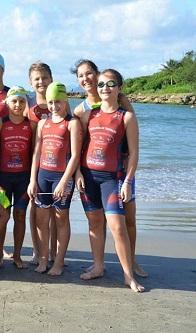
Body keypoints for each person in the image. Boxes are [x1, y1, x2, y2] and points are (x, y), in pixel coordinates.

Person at [72, 59, 147, 277]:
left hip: (119, 172)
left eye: (89, 74)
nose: (86, 79)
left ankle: (130, 263)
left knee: (126, 221)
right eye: (80, 76)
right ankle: (100, 264)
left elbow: (132, 137)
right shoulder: (83, 111)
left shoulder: (122, 103)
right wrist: (76, 172)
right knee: (96, 221)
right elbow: (78, 144)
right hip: (91, 173)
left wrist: (128, 180)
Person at [28, 82, 82, 275]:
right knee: (41, 221)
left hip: (61, 178)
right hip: (43, 175)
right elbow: (36, 153)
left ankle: (58, 262)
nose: (54, 106)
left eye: (58, 102)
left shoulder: (72, 123)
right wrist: (32, 180)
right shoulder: (43, 123)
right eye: (50, 102)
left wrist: (64, 181)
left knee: (61, 220)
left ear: (65, 100)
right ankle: (43, 259)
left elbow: (75, 156)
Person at [0, 86, 32, 268]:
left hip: (22, 180)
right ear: (7, 102)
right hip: (4, 180)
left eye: (22, 101)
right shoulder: (0, 124)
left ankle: (17, 255)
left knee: (20, 214)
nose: (18, 105)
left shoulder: (31, 125)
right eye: (14, 101)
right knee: (2, 214)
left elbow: (34, 154)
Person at [27, 62, 57, 265]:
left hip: (54, 166)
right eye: (36, 78)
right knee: (34, 207)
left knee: (55, 210)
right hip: (31, 163)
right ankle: (38, 250)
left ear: (51, 79)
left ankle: (53, 252)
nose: (41, 82)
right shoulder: (27, 103)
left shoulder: (58, 102)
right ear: (30, 82)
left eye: (44, 77)